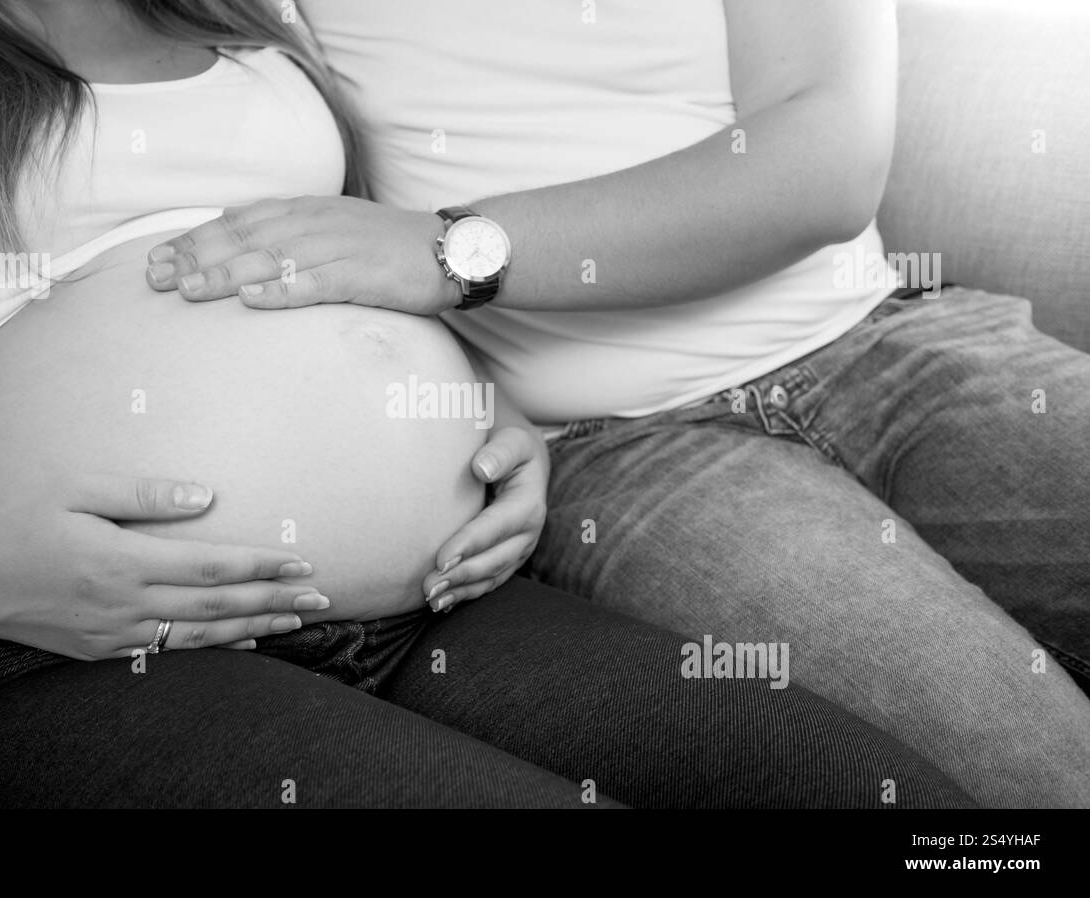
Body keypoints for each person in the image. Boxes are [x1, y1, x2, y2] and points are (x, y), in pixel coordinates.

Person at [0, 0, 974, 808]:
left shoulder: (249, 16)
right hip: (88, 647)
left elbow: (367, 270)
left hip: (438, 607)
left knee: (886, 804)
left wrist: (490, 429)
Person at [144, 0, 1090, 807]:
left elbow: (827, 161)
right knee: (1038, 786)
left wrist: (448, 251)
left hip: (893, 339)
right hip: (620, 449)